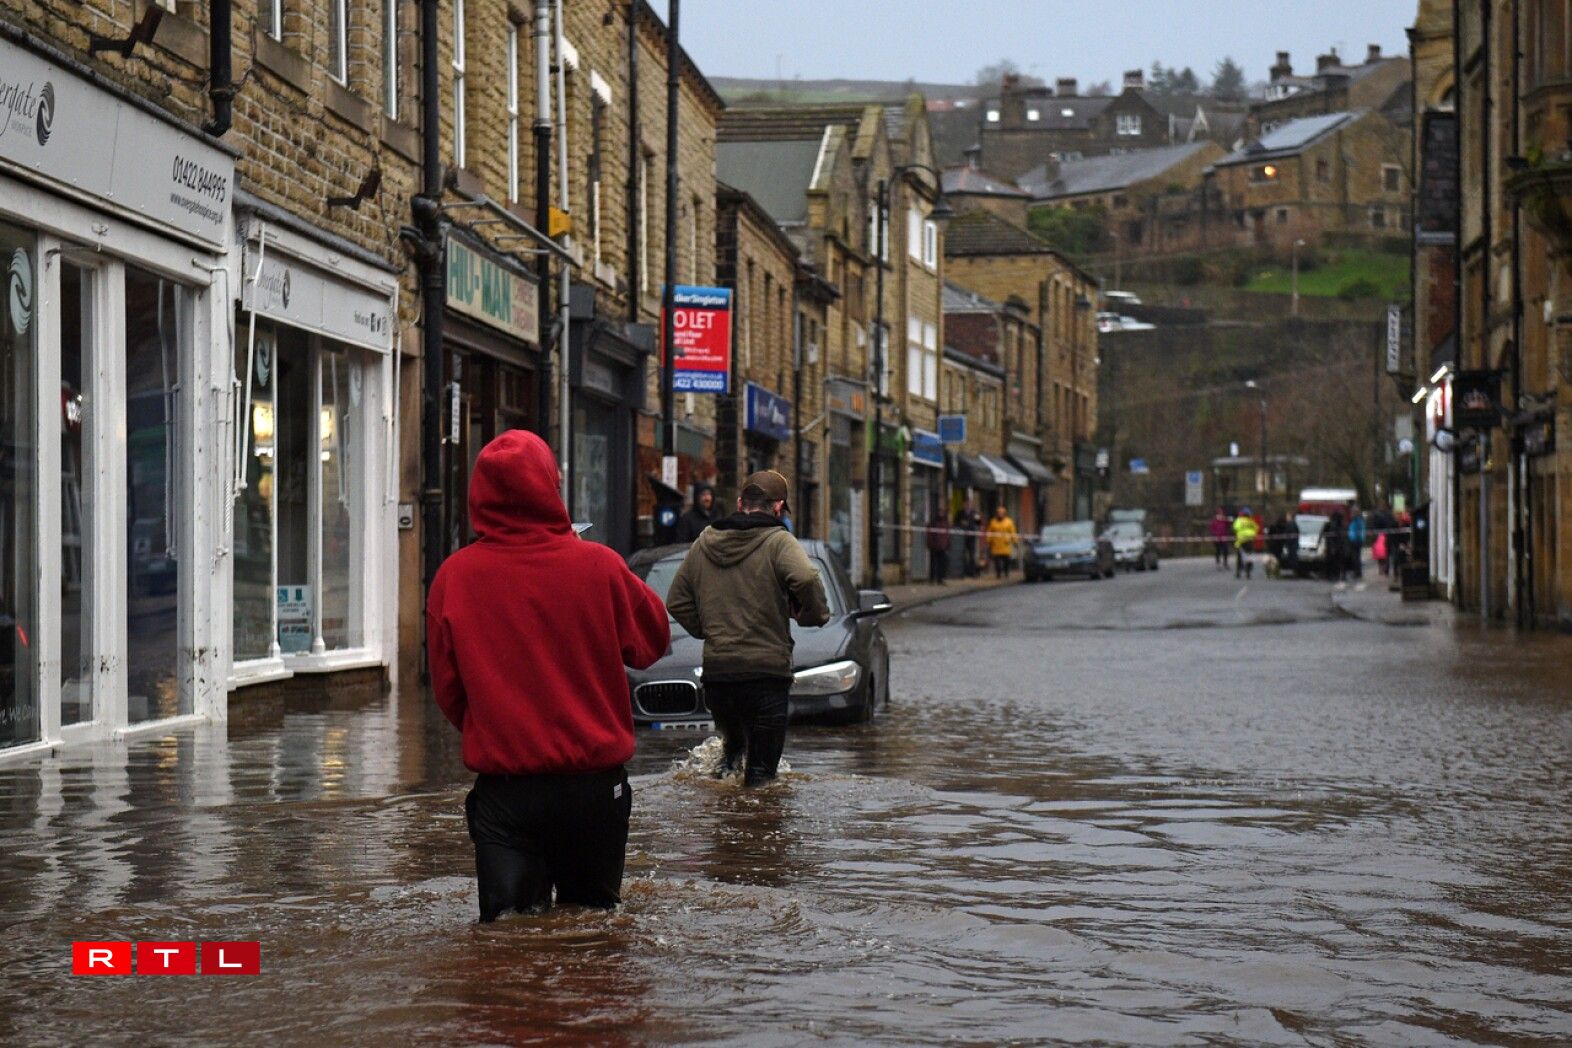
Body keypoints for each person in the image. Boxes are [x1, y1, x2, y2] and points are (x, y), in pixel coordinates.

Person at [427, 430, 671, 922]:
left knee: (507, 945)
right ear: (551, 488)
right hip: (593, 791)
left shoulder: (454, 576)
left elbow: (449, 691)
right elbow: (653, 641)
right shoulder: (599, 565)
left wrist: (500, 726)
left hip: (507, 794)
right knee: (594, 936)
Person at [666, 470, 831, 787]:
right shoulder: (778, 541)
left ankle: (722, 827)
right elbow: (807, 578)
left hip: (719, 678)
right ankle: (753, 832)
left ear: (740, 503)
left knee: (730, 762)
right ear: (778, 507)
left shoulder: (705, 542)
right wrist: (813, 615)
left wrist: (707, 630)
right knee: (761, 780)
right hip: (765, 677)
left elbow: (676, 600)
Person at [985, 504, 1019, 579]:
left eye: (1002, 513)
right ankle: (998, 574)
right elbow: (989, 532)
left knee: (1006, 561)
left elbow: (1012, 532)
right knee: (997, 561)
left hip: (1005, 545)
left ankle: (1006, 573)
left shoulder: (1009, 522)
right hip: (996, 545)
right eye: (999, 513)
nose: (1000, 514)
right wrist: (988, 541)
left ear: (1004, 514)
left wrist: (1015, 541)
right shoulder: (993, 522)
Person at [955, 501, 982, 578]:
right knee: (962, 555)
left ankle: (972, 572)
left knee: (972, 555)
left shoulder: (975, 513)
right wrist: (961, 523)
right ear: (963, 505)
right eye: (966, 504)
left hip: (971, 537)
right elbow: (955, 522)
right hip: (961, 537)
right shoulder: (960, 513)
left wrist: (974, 526)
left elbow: (979, 523)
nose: (967, 506)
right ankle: (962, 572)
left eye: (969, 505)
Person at [924, 507, 951, 585]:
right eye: (940, 512)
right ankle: (932, 579)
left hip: (942, 546)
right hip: (934, 546)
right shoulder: (933, 522)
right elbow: (929, 534)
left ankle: (940, 579)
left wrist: (947, 544)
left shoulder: (945, 522)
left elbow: (947, 534)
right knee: (933, 563)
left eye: (942, 512)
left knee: (941, 563)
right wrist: (930, 543)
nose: (941, 513)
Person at [1232, 506, 1259, 579]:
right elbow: (1257, 528)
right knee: (1249, 556)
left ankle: (1238, 572)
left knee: (1239, 557)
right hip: (1250, 541)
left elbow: (1234, 528)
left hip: (1241, 541)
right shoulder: (1251, 522)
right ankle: (1248, 572)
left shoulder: (1239, 520)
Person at [1324, 510, 1347, 582]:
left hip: (1335, 546)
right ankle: (1337, 575)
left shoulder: (1332, 524)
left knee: (1334, 562)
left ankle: (1334, 575)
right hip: (1337, 546)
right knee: (1338, 562)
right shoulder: (1337, 525)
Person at [1345, 503, 1366, 580]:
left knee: (1355, 557)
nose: (1351, 513)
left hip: (1355, 540)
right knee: (1357, 557)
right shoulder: (1359, 519)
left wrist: (1354, 537)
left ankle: (1357, 573)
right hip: (1357, 539)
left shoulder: (1356, 520)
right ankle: (1358, 572)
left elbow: (1356, 530)